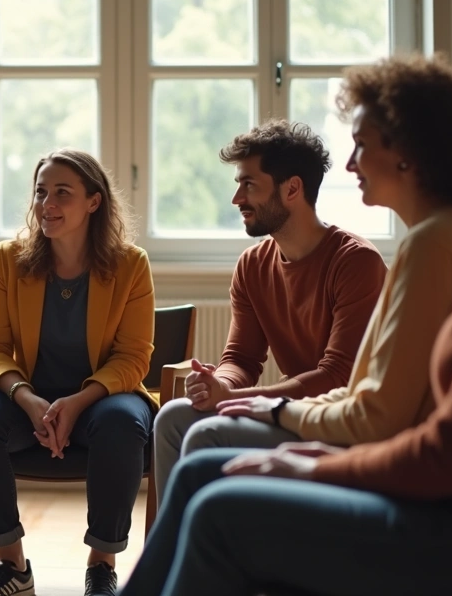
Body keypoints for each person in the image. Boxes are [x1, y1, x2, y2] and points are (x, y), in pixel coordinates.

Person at [119, 6, 452, 596]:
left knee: (217, 506)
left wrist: (299, 445)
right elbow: (357, 394)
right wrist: (242, 394)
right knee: (202, 460)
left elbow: (406, 427)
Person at [182, 54, 452, 459]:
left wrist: (274, 412)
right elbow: (367, 396)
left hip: (415, 465)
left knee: (204, 445)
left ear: (406, 153)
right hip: (386, 445)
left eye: (362, 145)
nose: (350, 164)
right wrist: (235, 393)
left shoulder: (429, 244)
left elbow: (372, 408)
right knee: (182, 421)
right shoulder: (435, 237)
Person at [152, 120, 387, 509]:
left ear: (292, 189)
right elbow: (241, 359)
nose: (236, 199)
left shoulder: (356, 262)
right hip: (289, 413)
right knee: (173, 417)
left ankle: (204, 541)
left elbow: (337, 377)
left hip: (342, 424)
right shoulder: (252, 265)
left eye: (249, 185)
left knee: (206, 435)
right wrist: (216, 384)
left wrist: (233, 397)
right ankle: (173, 541)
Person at [0, 149, 155, 596]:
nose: (48, 204)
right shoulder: (8, 258)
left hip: (101, 400)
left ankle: (101, 567)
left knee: (123, 422)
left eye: (63, 193)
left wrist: (78, 402)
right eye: (41, 192)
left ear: (94, 202)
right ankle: (13, 567)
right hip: (26, 400)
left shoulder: (131, 264)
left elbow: (133, 357)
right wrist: (26, 398)